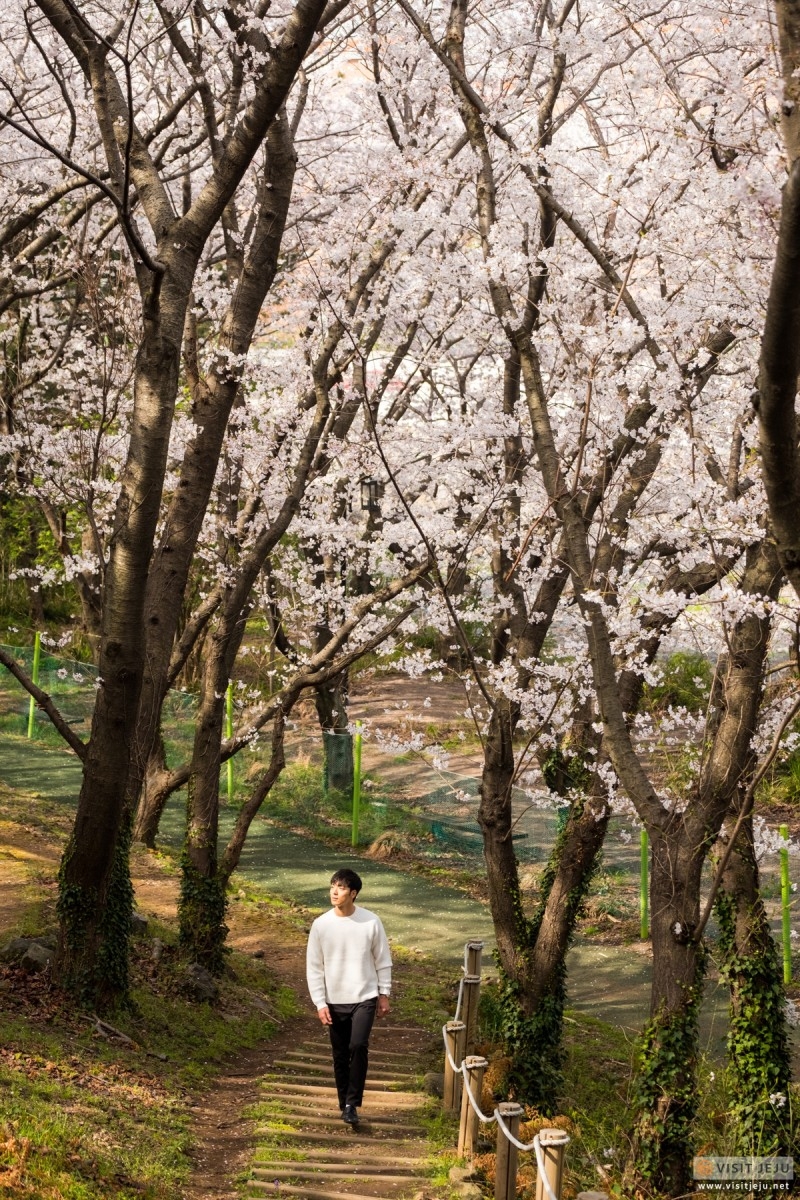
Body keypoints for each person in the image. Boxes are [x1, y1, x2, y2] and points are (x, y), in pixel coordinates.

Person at [306, 867, 392, 1126]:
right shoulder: (321, 924)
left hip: (365, 996)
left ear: (353, 893)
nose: (335, 891)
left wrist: (383, 993)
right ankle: (344, 1103)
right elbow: (314, 967)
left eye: (341, 887)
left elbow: (382, 959)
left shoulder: (371, 921)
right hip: (334, 999)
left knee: (358, 1046)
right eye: (333, 885)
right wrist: (320, 1002)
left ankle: (353, 1103)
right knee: (340, 1054)